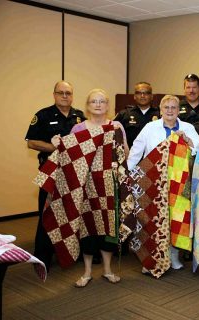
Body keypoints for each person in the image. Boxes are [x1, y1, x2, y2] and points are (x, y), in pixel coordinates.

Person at [127, 94, 199, 271]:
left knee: (177, 219)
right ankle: (151, 258)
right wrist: (129, 173)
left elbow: (198, 151)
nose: (170, 111)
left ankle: (173, 256)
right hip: (153, 181)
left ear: (178, 110)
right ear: (160, 110)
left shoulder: (188, 127)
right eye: (166, 107)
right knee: (153, 218)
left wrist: (189, 142)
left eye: (173, 107)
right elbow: (137, 151)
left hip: (180, 182)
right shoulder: (149, 127)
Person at [25, 81, 85, 271]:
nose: (65, 96)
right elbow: (31, 142)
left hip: (74, 173)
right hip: (51, 172)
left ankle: (70, 252)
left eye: (68, 93)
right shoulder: (43, 115)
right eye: (61, 93)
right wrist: (55, 148)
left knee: (72, 213)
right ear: (54, 94)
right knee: (47, 213)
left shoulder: (79, 117)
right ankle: (42, 256)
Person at [70, 89, 128, 287]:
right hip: (86, 186)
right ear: (87, 105)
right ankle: (86, 272)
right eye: (93, 101)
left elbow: (124, 154)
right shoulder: (78, 129)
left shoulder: (116, 127)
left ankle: (107, 270)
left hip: (109, 185)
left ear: (107, 105)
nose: (97, 104)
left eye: (102, 101)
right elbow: (70, 158)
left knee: (108, 229)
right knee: (88, 227)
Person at [114, 82, 160, 148]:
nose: (142, 96)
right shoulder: (124, 114)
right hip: (131, 155)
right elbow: (114, 135)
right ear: (134, 96)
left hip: (154, 155)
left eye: (146, 93)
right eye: (139, 93)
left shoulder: (160, 114)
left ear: (151, 96)